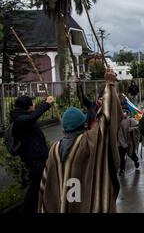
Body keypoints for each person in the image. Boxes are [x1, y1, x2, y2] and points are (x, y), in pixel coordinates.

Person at [38, 69, 122, 212]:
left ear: (64, 130)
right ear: (83, 124)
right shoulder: (90, 141)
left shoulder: (54, 149)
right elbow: (107, 120)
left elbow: (47, 186)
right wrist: (110, 84)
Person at [10, 95, 53, 213]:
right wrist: (47, 104)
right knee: (35, 187)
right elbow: (31, 118)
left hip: (37, 157)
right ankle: (26, 210)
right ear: (28, 107)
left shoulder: (23, 116)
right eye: (32, 104)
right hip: (34, 160)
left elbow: (32, 116)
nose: (34, 105)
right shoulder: (20, 119)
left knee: (40, 184)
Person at [118, 110, 140, 176]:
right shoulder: (117, 121)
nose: (122, 113)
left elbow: (138, 127)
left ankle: (136, 160)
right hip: (120, 142)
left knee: (131, 154)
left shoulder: (131, 120)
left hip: (129, 141)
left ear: (127, 113)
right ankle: (122, 169)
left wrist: (132, 129)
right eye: (121, 111)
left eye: (124, 112)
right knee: (121, 157)